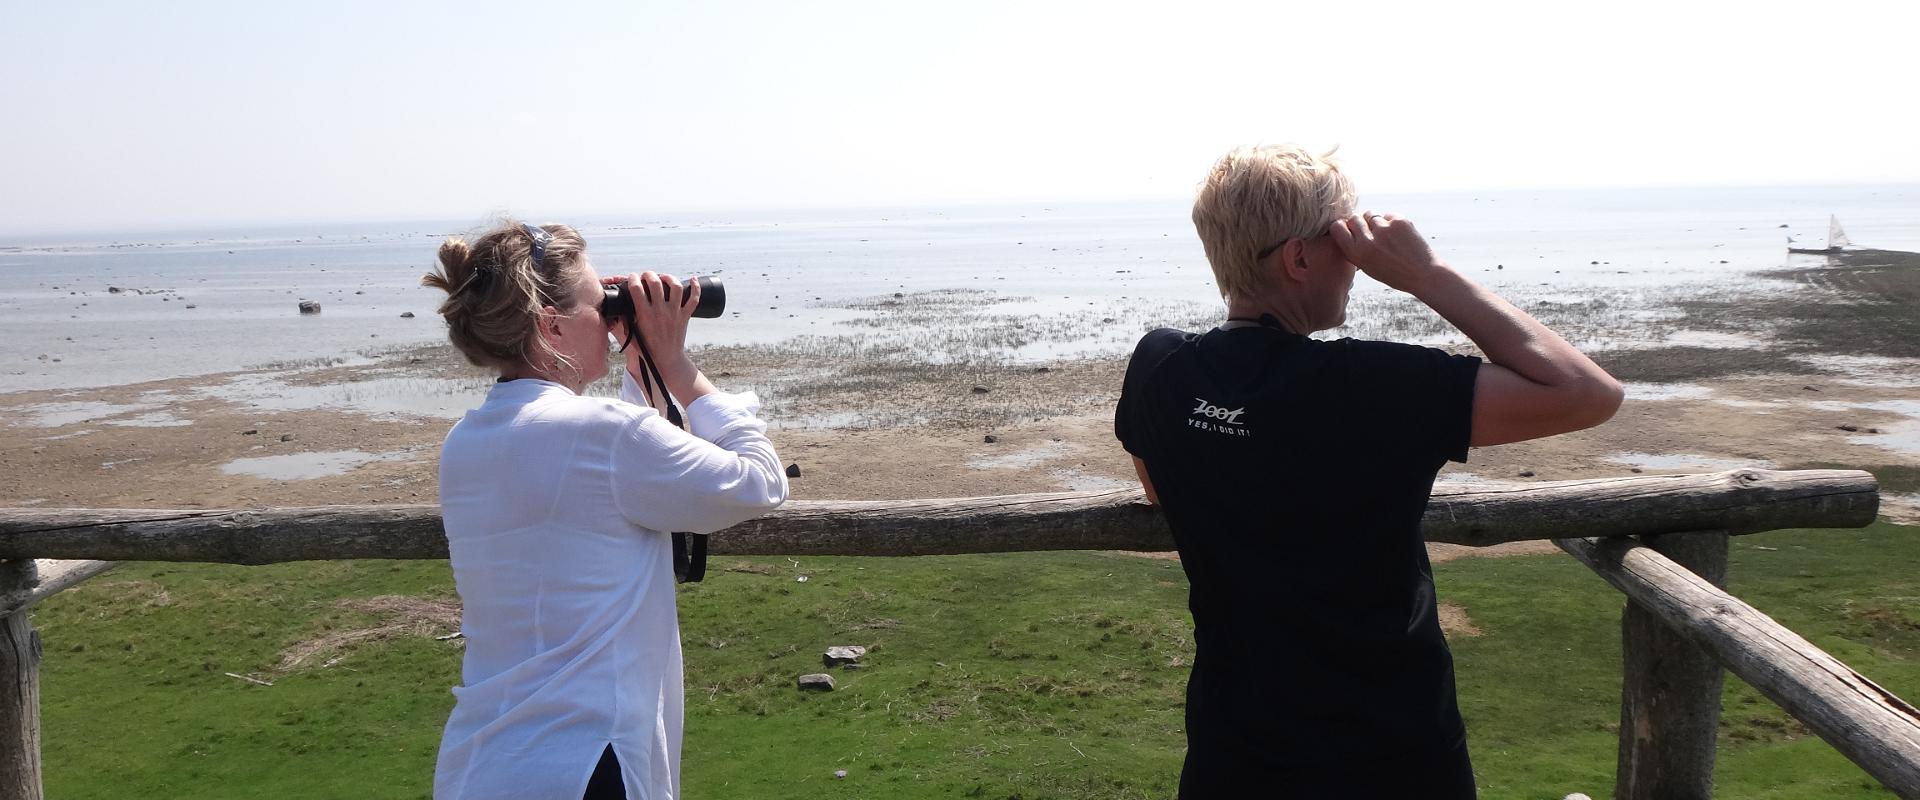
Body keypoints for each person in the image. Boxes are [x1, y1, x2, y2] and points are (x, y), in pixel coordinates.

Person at [1114, 146, 1622, 797]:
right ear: (1299, 258)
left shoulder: (1160, 366)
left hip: (1233, 752)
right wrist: (1426, 273)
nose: (1357, 263)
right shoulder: (1373, 386)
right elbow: (1587, 394)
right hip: (1394, 753)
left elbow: (1159, 487)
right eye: (1346, 241)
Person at [422, 221, 789, 800]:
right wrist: (678, 367)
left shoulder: (466, 442)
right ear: (551, 325)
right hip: (586, 765)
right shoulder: (606, 440)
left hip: (483, 763)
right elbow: (760, 482)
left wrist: (643, 366)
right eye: (602, 304)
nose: (613, 319)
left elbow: (612, 472)